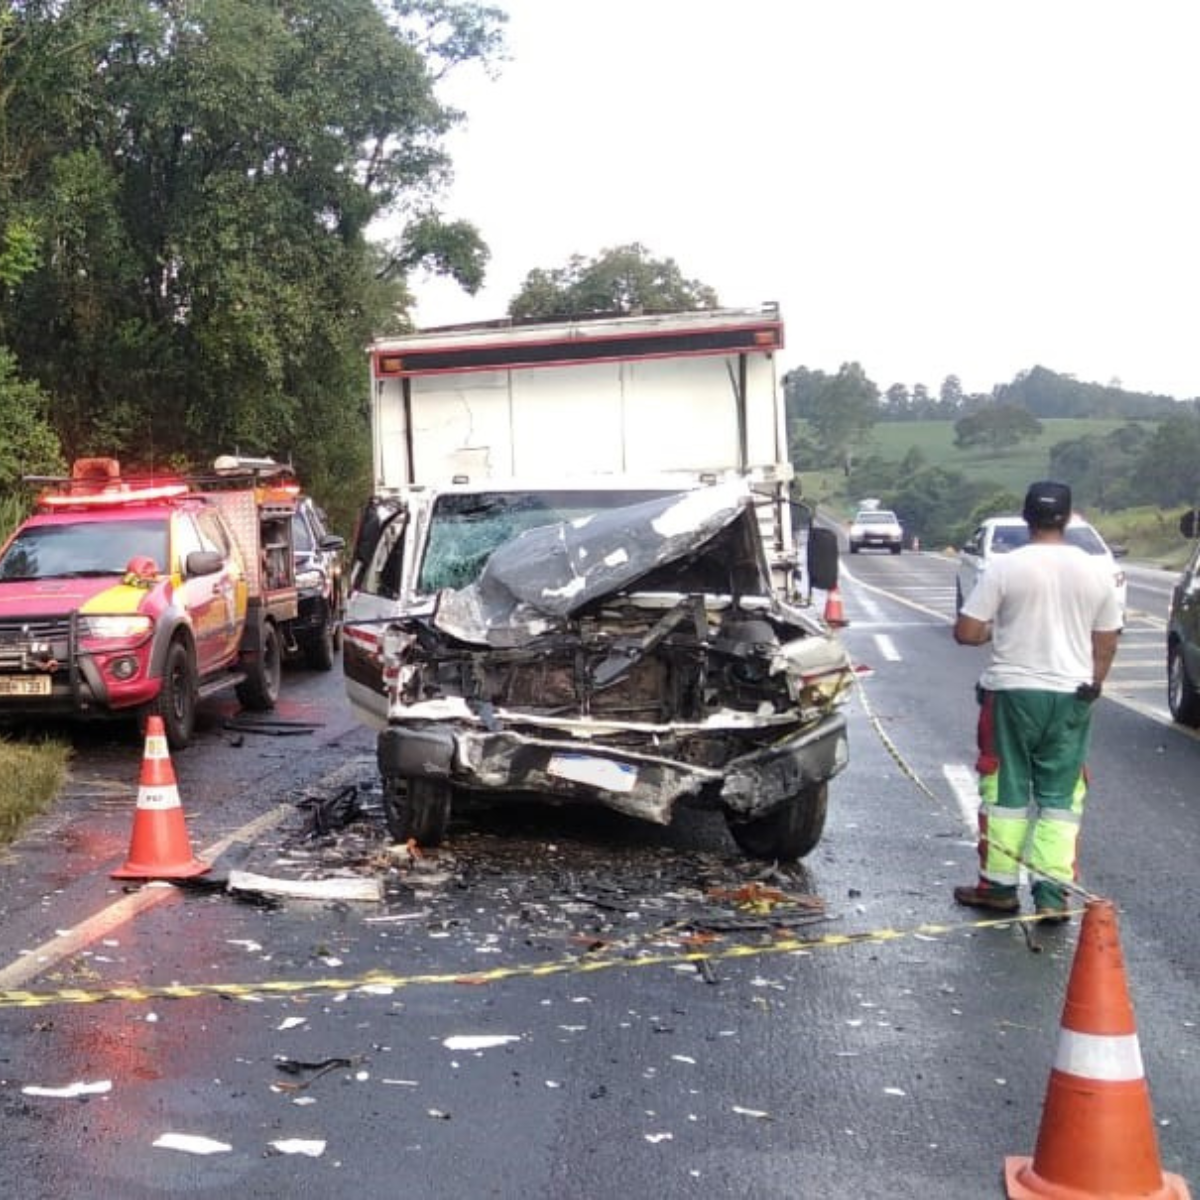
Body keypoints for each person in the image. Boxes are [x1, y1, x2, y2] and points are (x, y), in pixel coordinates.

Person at [952, 481, 1122, 922]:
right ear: (1068, 518)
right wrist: (1094, 683)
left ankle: (999, 888)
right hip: (1071, 695)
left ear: (1026, 518)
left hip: (1012, 694)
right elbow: (1106, 639)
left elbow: (967, 633)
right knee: (1061, 800)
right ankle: (1052, 896)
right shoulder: (1096, 571)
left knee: (1005, 791)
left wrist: (1000, 629)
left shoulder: (1006, 567)